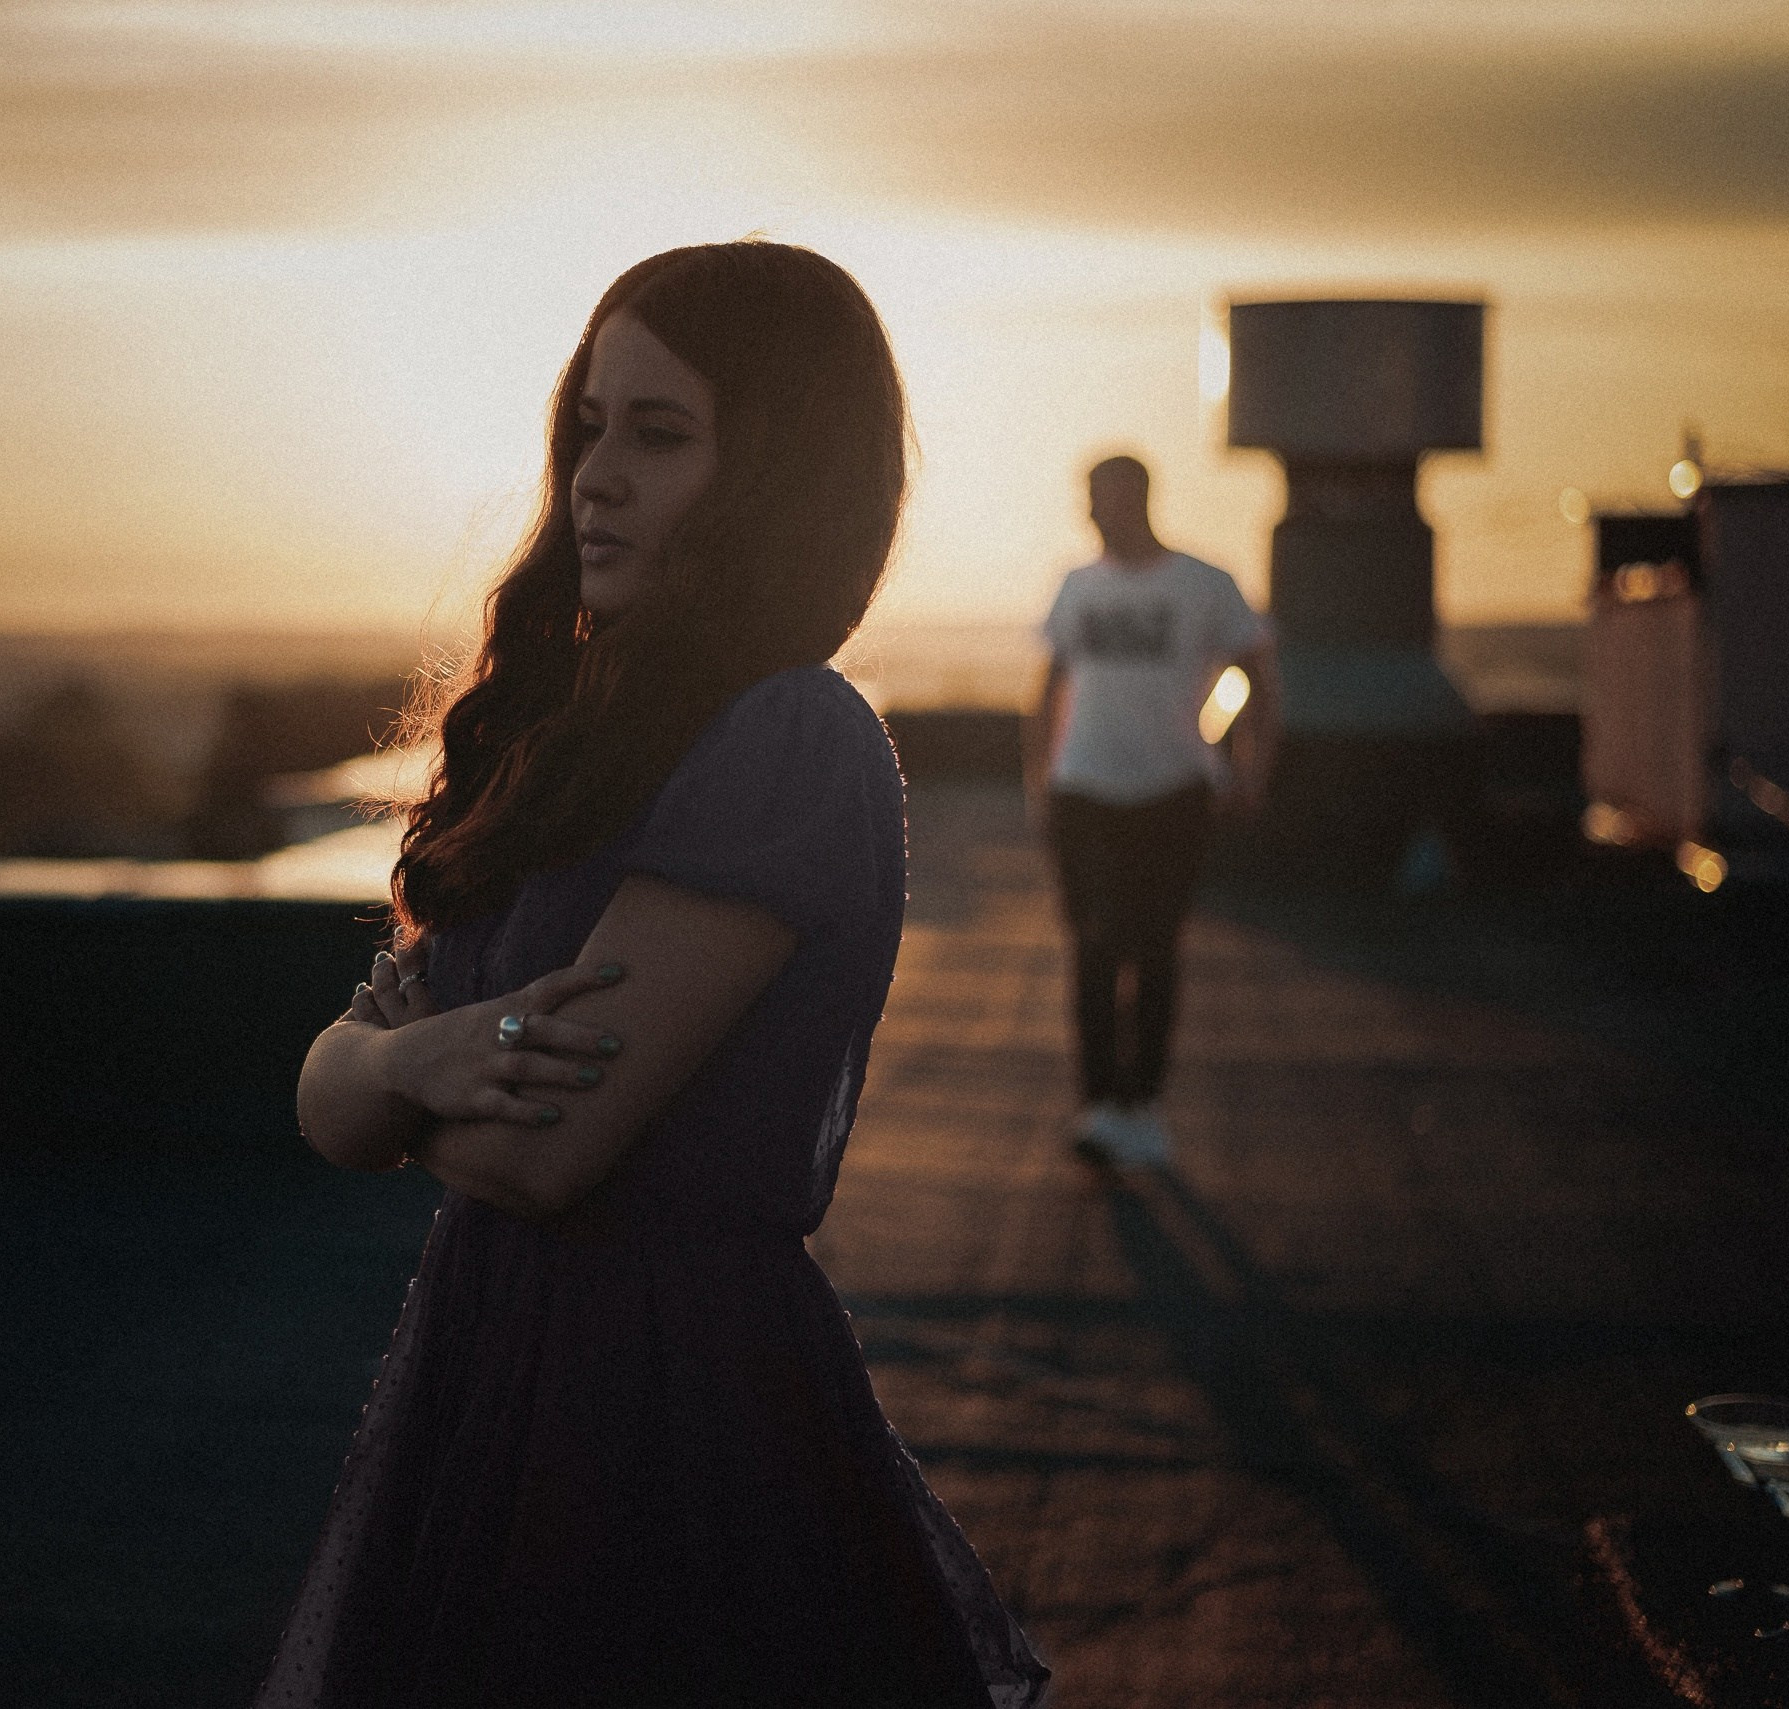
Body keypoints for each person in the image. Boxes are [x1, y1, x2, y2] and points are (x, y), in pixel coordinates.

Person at [257, 243, 1049, 1708]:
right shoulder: (559, 738)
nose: (594, 478)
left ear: (782, 473)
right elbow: (332, 1097)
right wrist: (415, 1062)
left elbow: (550, 1150)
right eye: (588, 427)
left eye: (660, 434)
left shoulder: (793, 739)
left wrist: (401, 1069)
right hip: (491, 1367)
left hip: (665, 1409)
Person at [1028, 453, 1278, 1170]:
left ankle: (1143, 1105)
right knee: (1093, 945)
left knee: (1156, 945)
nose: (1089, 512)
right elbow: (1046, 686)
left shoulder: (1204, 582)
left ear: (1134, 497)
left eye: (1099, 498)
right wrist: (1039, 778)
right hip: (1083, 789)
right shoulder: (1076, 586)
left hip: (1174, 791)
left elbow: (1261, 676)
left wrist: (1253, 768)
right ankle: (1101, 1104)